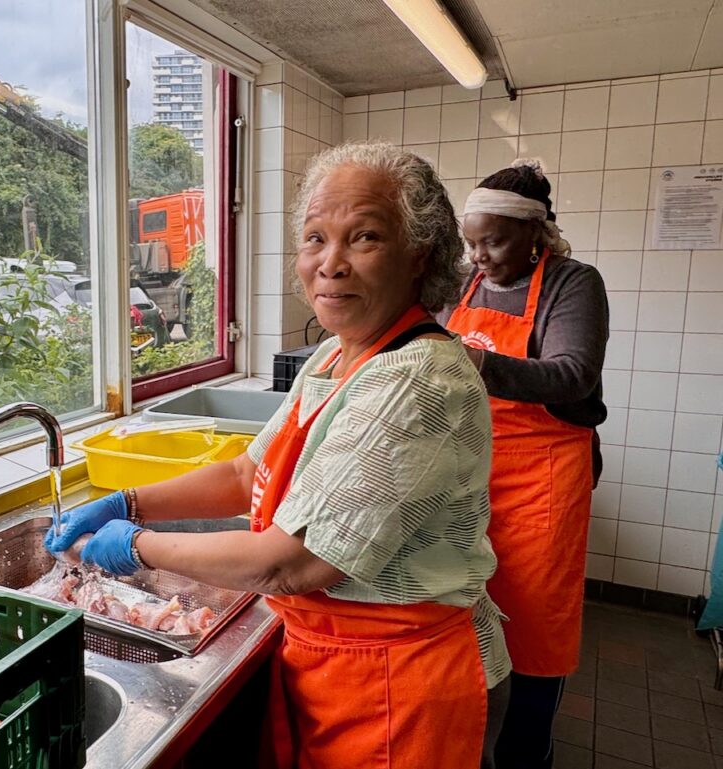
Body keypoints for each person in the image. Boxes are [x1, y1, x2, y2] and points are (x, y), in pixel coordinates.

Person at [48, 141, 510, 768]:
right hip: (336, 663)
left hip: (405, 682)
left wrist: (136, 545)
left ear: (417, 256)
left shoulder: (417, 377)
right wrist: (130, 501)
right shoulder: (337, 353)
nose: (331, 264)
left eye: (364, 237)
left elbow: (290, 564)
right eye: (315, 238)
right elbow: (247, 472)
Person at [439, 160, 609, 769]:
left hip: (545, 479)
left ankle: (527, 751)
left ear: (536, 232)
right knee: (461, 606)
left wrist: (474, 364)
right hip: (471, 470)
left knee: (536, 623)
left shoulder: (573, 282)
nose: (479, 256)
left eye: (493, 241)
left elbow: (573, 375)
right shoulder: (464, 285)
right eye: (471, 242)